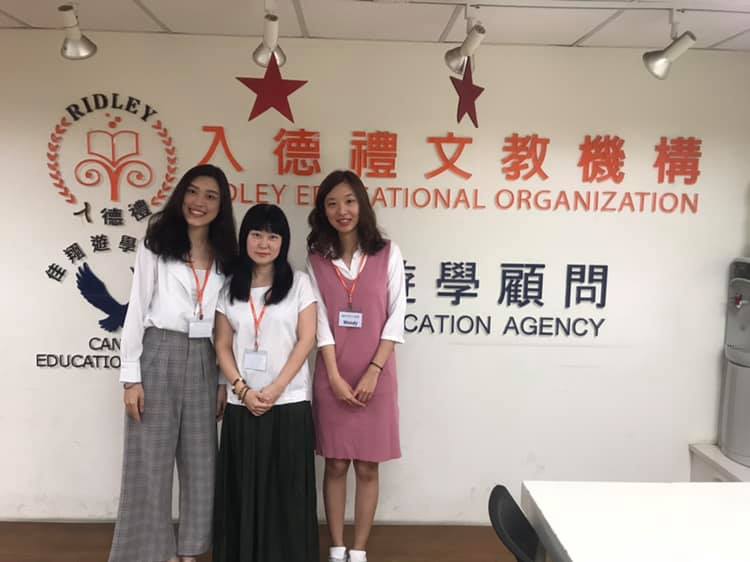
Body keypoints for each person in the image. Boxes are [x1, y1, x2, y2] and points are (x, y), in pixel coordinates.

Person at [109, 164, 237, 562]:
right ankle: (149, 551)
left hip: (204, 356)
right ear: (181, 194)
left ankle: (191, 550)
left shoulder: (226, 255)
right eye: (193, 192)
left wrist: (222, 381)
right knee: (149, 460)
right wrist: (131, 378)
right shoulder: (155, 244)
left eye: (211, 196)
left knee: (201, 462)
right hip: (158, 351)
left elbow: (225, 323)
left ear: (221, 206)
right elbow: (136, 309)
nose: (200, 202)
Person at [306, 170, 406, 562]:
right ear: (323, 211)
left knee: (367, 467)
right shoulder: (316, 258)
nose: (341, 211)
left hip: (376, 375)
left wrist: (374, 371)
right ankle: (336, 548)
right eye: (332, 203)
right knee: (334, 464)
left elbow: (396, 316)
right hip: (332, 374)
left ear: (362, 204)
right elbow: (320, 322)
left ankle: (359, 551)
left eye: (349, 201)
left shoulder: (388, 253)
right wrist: (332, 375)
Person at [213, 203, 319, 562]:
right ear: (245, 238)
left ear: (283, 242)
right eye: (256, 234)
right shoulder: (229, 288)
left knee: (286, 493)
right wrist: (242, 389)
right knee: (243, 490)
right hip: (243, 404)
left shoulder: (300, 283)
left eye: (273, 236)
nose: (263, 243)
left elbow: (306, 339)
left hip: (289, 402)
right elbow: (222, 344)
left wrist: (275, 389)